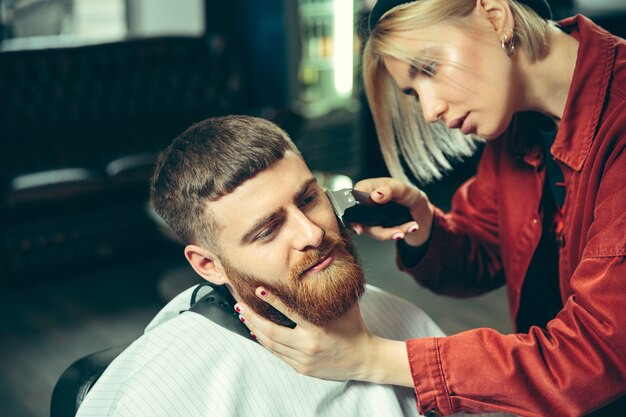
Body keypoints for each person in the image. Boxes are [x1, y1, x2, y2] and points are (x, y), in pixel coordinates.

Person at [236, 1, 626, 416]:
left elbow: (594, 357)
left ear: (495, 15)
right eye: (413, 92)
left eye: (429, 68)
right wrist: (424, 224)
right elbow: (488, 252)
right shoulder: (520, 122)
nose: (430, 110)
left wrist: (369, 357)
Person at [75, 115, 509, 417]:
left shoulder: (406, 324)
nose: (312, 234)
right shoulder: (156, 396)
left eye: (308, 199)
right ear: (208, 265)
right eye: (267, 230)